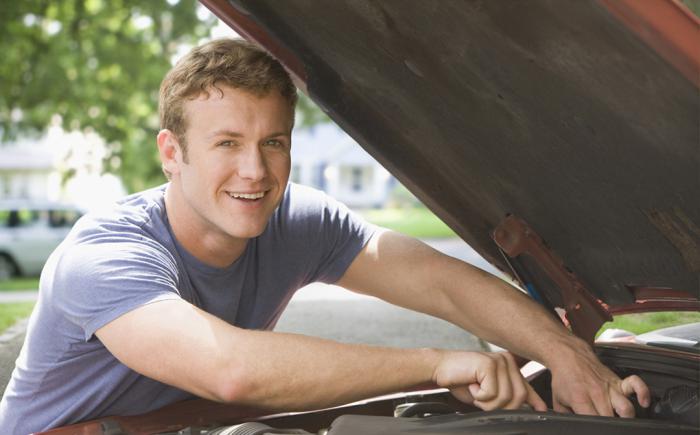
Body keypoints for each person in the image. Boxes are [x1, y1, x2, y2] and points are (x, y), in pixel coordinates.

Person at [0, 38, 650, 434]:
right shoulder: (104, 254)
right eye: (226, 143)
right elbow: (229, 369)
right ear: (171, 152)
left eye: (272, 142)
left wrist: (564, 351)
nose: (255, 171)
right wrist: (434, 361)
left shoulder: (295, 221)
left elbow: (440, 283)